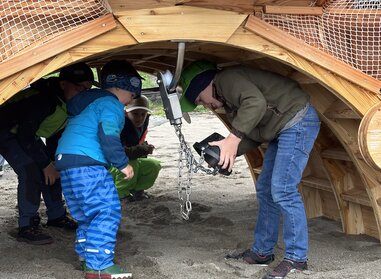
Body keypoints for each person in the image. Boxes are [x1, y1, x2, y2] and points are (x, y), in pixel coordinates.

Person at [179, 60, 321, 279]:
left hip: (297, 120)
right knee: (265, 189)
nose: (205, 105)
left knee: (283, 190)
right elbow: (254, 135)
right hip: (279, 129)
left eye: (199, 99)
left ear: (203, 84)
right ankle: (263, 252)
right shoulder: (229, 102)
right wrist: (226, 153)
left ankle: (296, 259)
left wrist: (232, 139)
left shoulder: (226, 79)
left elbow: (256, 103)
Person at [55, 60, 142, 279]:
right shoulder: (110, 104)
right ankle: (100, 266)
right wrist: (122, 163)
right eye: (132, 95)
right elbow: (108, 134)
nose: (130, 101)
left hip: (66, 162)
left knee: (86, 216)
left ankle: (87, 259)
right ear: (122, 87)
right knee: (106, 211)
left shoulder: (87, 103)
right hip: (88, 165)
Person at [0, 62, 94, 245]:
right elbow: (24, 135)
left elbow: (54, 136)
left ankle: (56, 216)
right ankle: (27, 225)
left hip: (23, 133)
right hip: (5, 131)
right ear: (63, 84)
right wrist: (44, 164)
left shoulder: (67, 102)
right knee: (31, 172)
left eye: (87, 89)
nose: (82, 92)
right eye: (78, 87)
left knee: (53, 168)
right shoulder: (44, 100)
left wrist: (52, 162)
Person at [109, 95, 161, 202]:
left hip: (125, 165)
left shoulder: (141, 126)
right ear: (126, 113)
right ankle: (121, 194)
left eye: (143, 114)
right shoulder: (119, 125)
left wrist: (143, 149)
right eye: (135, 114)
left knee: (153, 165)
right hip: (109, 168)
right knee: (130, 161)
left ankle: (137, 191)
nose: (140, 118)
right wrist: (141, 149)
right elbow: (119, 153)